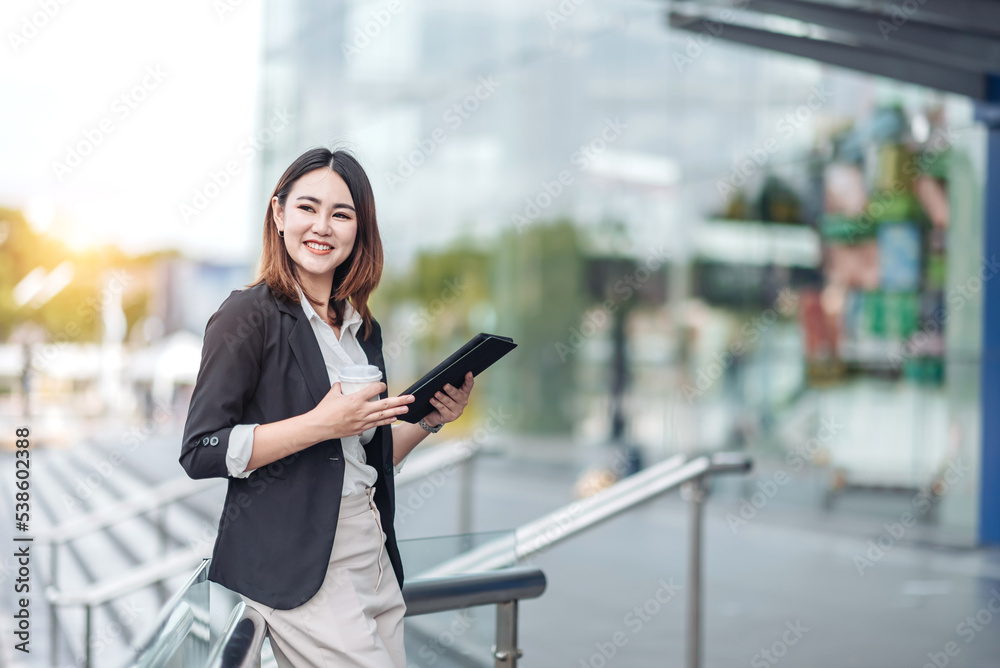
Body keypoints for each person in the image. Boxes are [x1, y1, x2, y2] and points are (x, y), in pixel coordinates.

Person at [179, 147, 475, 667]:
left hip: (374, 551)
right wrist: (318, 424)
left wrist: (429, 419)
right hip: (305, 567)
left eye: (341, 214)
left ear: (360, 230)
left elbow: (360, 459)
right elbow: (201, 451)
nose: (322, 226)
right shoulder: (247, 316)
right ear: (278, 214)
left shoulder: (362, 328)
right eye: (307, 208)